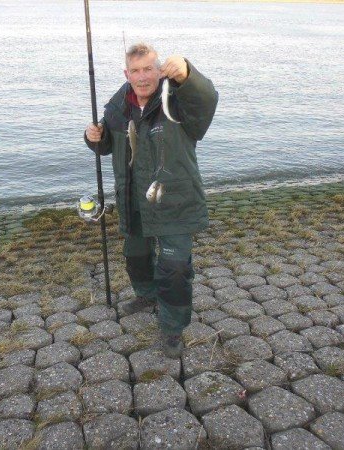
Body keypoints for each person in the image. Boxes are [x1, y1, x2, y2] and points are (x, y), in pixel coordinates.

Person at [84, 43, 218, 358]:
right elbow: (106, 148)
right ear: (126, 73)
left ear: (159, 70)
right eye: (136, 71)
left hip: (175, 199)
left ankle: (172, 328)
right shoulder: (117, 108)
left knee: (174, 268)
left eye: (149, 69)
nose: (143, 77)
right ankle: (146, 295)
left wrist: (187, 71)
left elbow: (206, 100)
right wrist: (95, 137)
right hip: (133, 198)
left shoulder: (179, 101)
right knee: (136, 256)